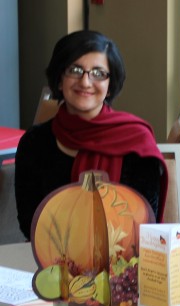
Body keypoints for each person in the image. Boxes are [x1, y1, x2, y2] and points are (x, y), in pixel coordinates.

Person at [15, 30, 168, 240]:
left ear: (109, 85)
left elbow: (144, 223)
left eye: (98, 73)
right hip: (50, 262)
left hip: (124, 265)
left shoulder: (136, 143)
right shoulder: (34, 143)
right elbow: (29, 222)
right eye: (75, 70)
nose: (85, 82)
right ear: (60, 79)